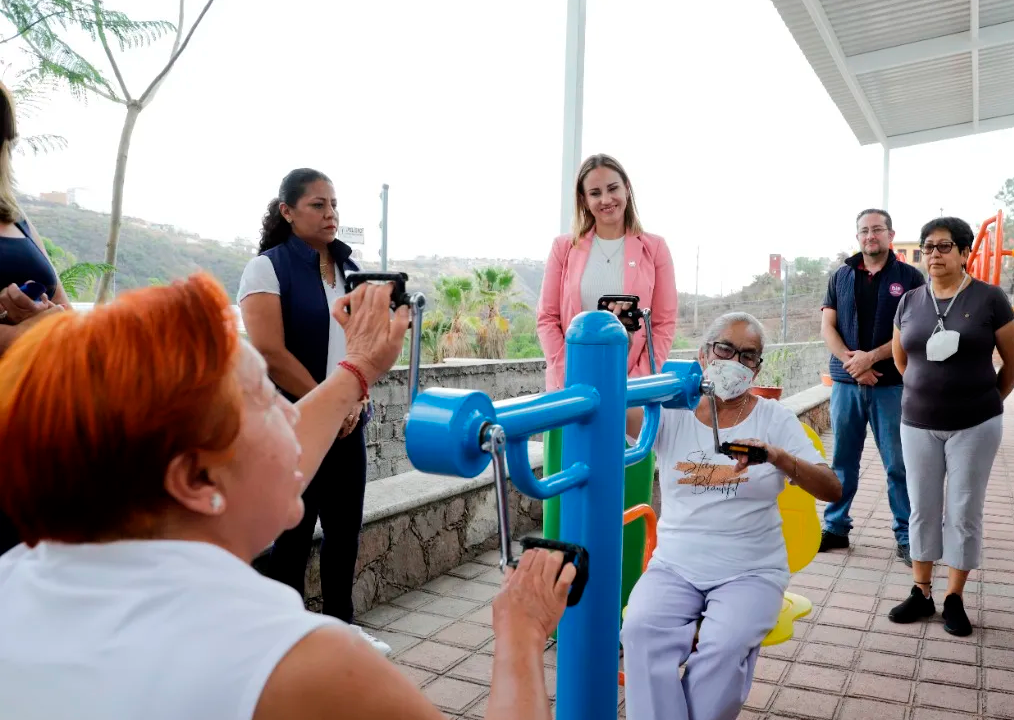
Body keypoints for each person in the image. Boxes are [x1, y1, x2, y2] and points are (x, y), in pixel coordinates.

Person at [0, 275, 572, 720]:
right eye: (264, 397)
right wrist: (521, 630)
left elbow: (279, 455)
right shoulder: (295, 662)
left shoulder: (19, 581)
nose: (290, 413)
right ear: (197, 481)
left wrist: (359, 369)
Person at [620, 312, 841, 720]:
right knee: (639, 631)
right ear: (704, 355)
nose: (735, 362)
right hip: (674, 568)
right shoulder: (670, 412)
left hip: (751, 571)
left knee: (724, 645)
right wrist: (622, 338)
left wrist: (777, 456)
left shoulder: (773, 419)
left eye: (748, 355)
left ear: (758, 367)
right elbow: (608, 399)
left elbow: (831, 488)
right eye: (725, 349)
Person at [238, 169, 385, 653]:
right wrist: (331, 398)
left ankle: (342, 633)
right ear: (287, 211)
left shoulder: (351, 267)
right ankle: (284, 641)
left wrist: (353, 400)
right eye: (318, 205)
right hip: (292, 424)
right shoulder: (267, 268)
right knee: (293, 536)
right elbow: (270, 352)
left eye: (335, 205)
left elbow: (364, 341)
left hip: (349, 424)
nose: (331, 214)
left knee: (345, 533)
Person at [536, 153, 677, 606]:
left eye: (612, 188)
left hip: (629, 394)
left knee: (626, 497)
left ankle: (625, 604)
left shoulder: (653, 247)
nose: (605, 199)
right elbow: (548, 318)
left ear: (627, 189)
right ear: (583, 199)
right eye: (594, 192)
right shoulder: (565, 248)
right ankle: (563, 605)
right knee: (568, 497)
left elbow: (665, 322)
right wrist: (567, 376)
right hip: (570, 394)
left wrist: (635, 382)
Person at [887, 217, 1014, 636]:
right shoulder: (909, 301)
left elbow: (1013, 362)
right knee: (922, 507)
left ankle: (954, 598)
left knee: (963, 510)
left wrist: (986, 402)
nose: (934, 255)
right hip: (917, 423)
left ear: (966, 253)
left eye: (945, 247)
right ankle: (921, 591)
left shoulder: (990, 299)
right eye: (928, 247)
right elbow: (901, 360)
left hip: (975, 425)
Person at [819, 208, 925, 564]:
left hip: (891, 385)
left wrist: (873, 358)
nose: (870, 236)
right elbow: (827, 328)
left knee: (898, 463)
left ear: (890, 235)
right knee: (842, 461)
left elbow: (916, 330)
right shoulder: (841, 276)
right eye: (864, 230)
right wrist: (855, 364)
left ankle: (907, 535)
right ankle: (835, 527)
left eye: (877, 229)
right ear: (857, 237)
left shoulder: (910, 277)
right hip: (846, 386)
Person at [0, 79, 72, 555]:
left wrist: (47, 321)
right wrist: (23, 335)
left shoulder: (19, 217)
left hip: (38, 425)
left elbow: (66, 313)